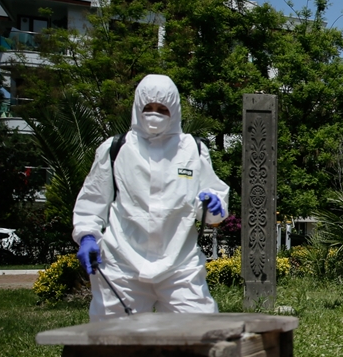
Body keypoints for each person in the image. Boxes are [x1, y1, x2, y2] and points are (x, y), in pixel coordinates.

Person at [73, 74, 230, 320]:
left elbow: (212, 209)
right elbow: (93, 201)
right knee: (113, 343)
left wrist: (214, 205)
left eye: (162, 109)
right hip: (121, 264)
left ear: (174, 110)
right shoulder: (116, 149)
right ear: (137, 107)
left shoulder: (192, 149)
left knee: (198, 335)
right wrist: (87, 236)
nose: (154, 114)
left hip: (180, 266)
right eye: (148, 108)